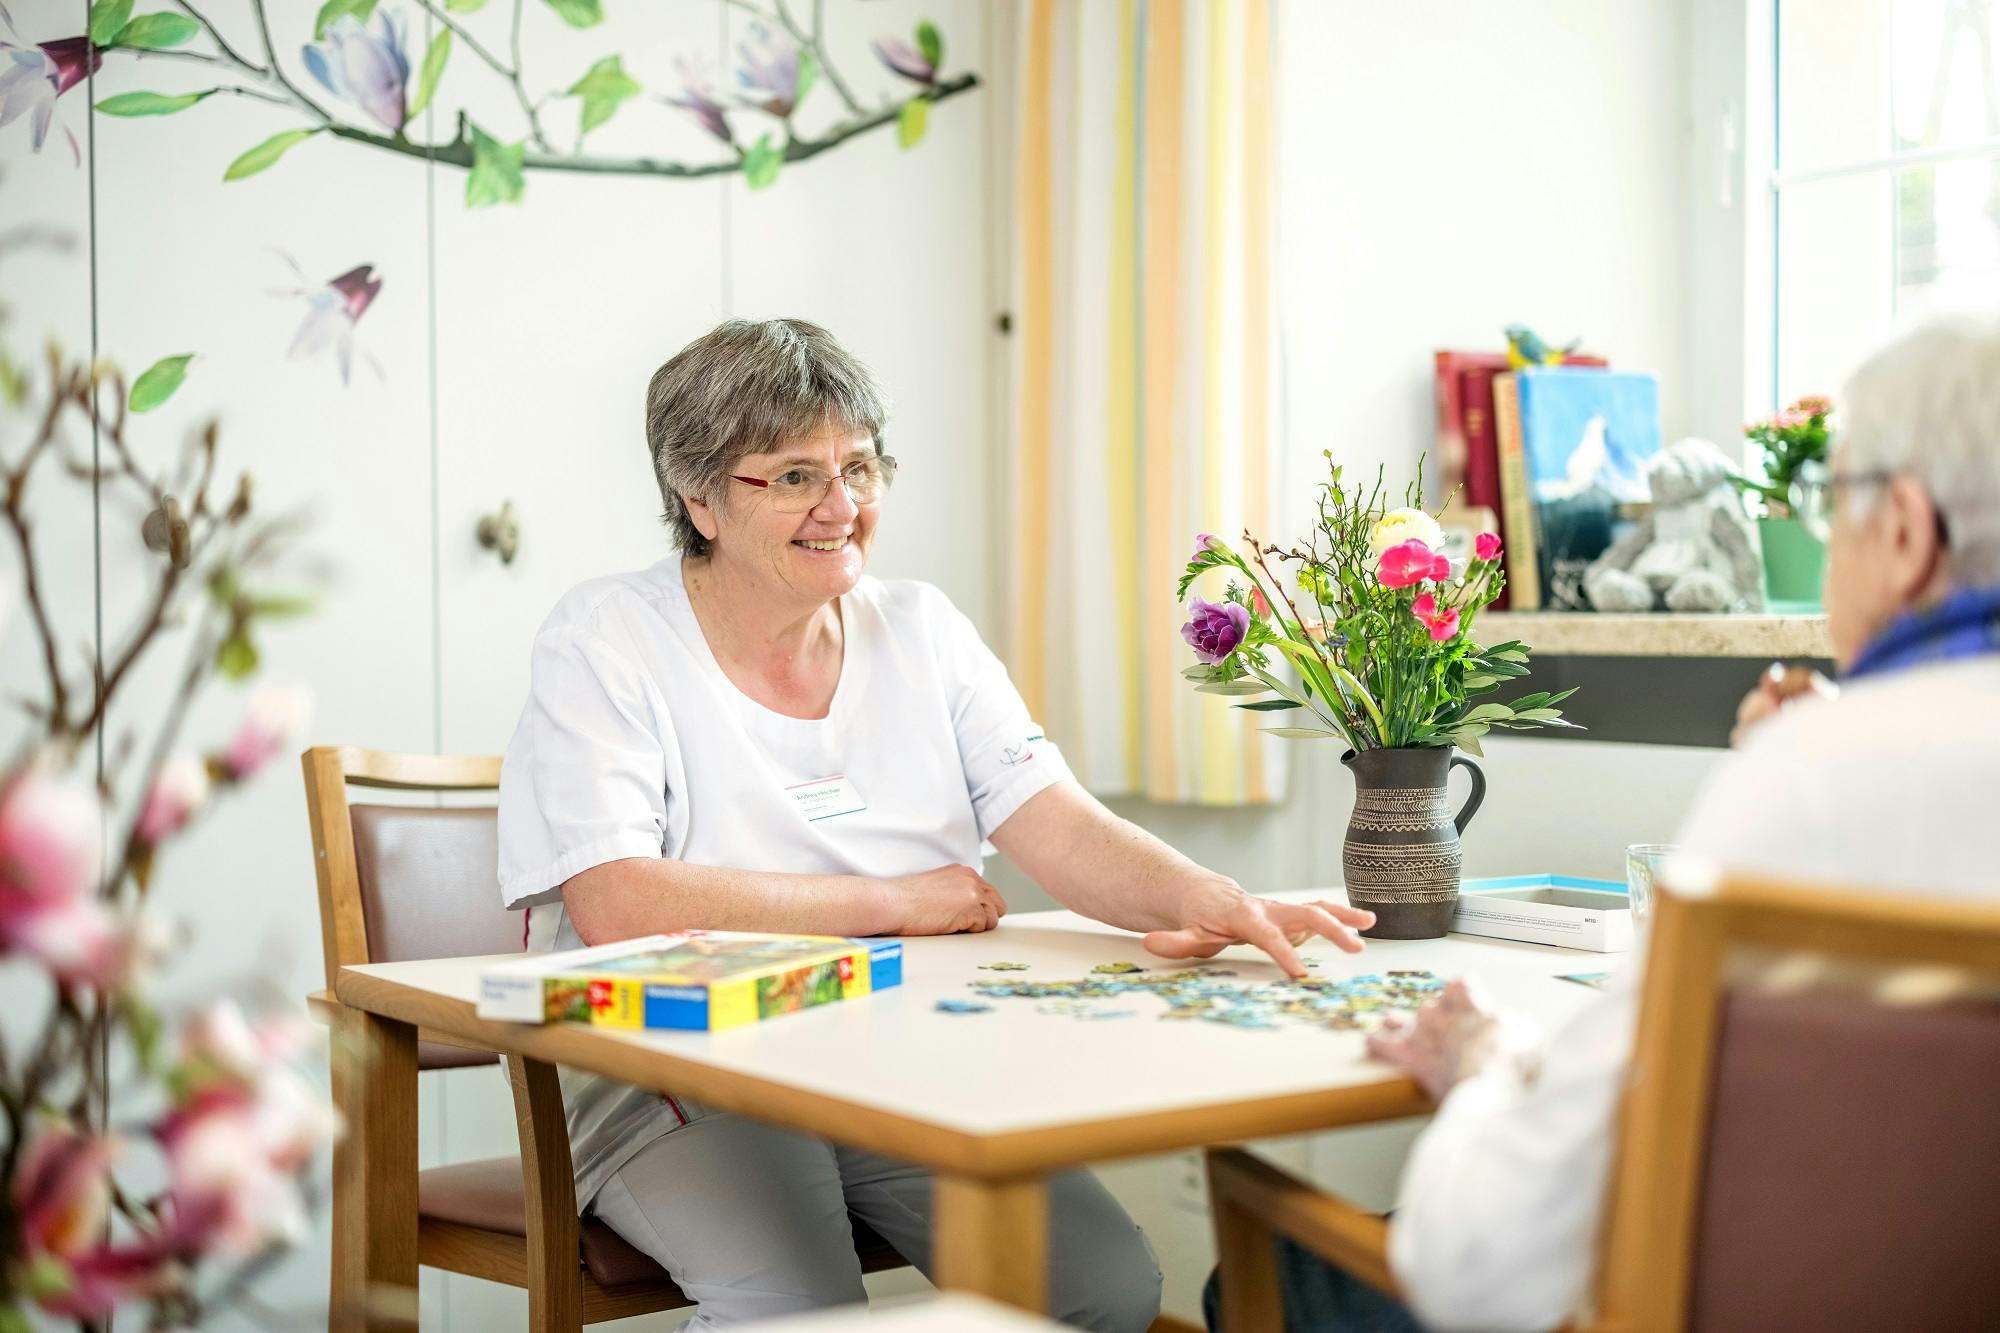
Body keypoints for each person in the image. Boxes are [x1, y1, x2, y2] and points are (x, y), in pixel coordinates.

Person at [497, 318, 1377, 1330]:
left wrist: (1208, 897)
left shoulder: (920, 626)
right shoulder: (604, 636)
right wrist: (896, 903)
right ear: (697, 498)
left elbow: (1059, 825)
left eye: (859, 467)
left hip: (891, 1058)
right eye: (791, 477)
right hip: (678, 1076)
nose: (842, 507)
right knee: (795, 1306)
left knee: (1101, 1288)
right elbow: (620, 903)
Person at [1208, 312, 2000, 1332]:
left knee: (1251, 1277)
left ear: (1901, 527)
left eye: (1827, 500)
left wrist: (1487, 1065)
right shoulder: (1830, 755)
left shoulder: (1811, 773)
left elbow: (1485, 1266)